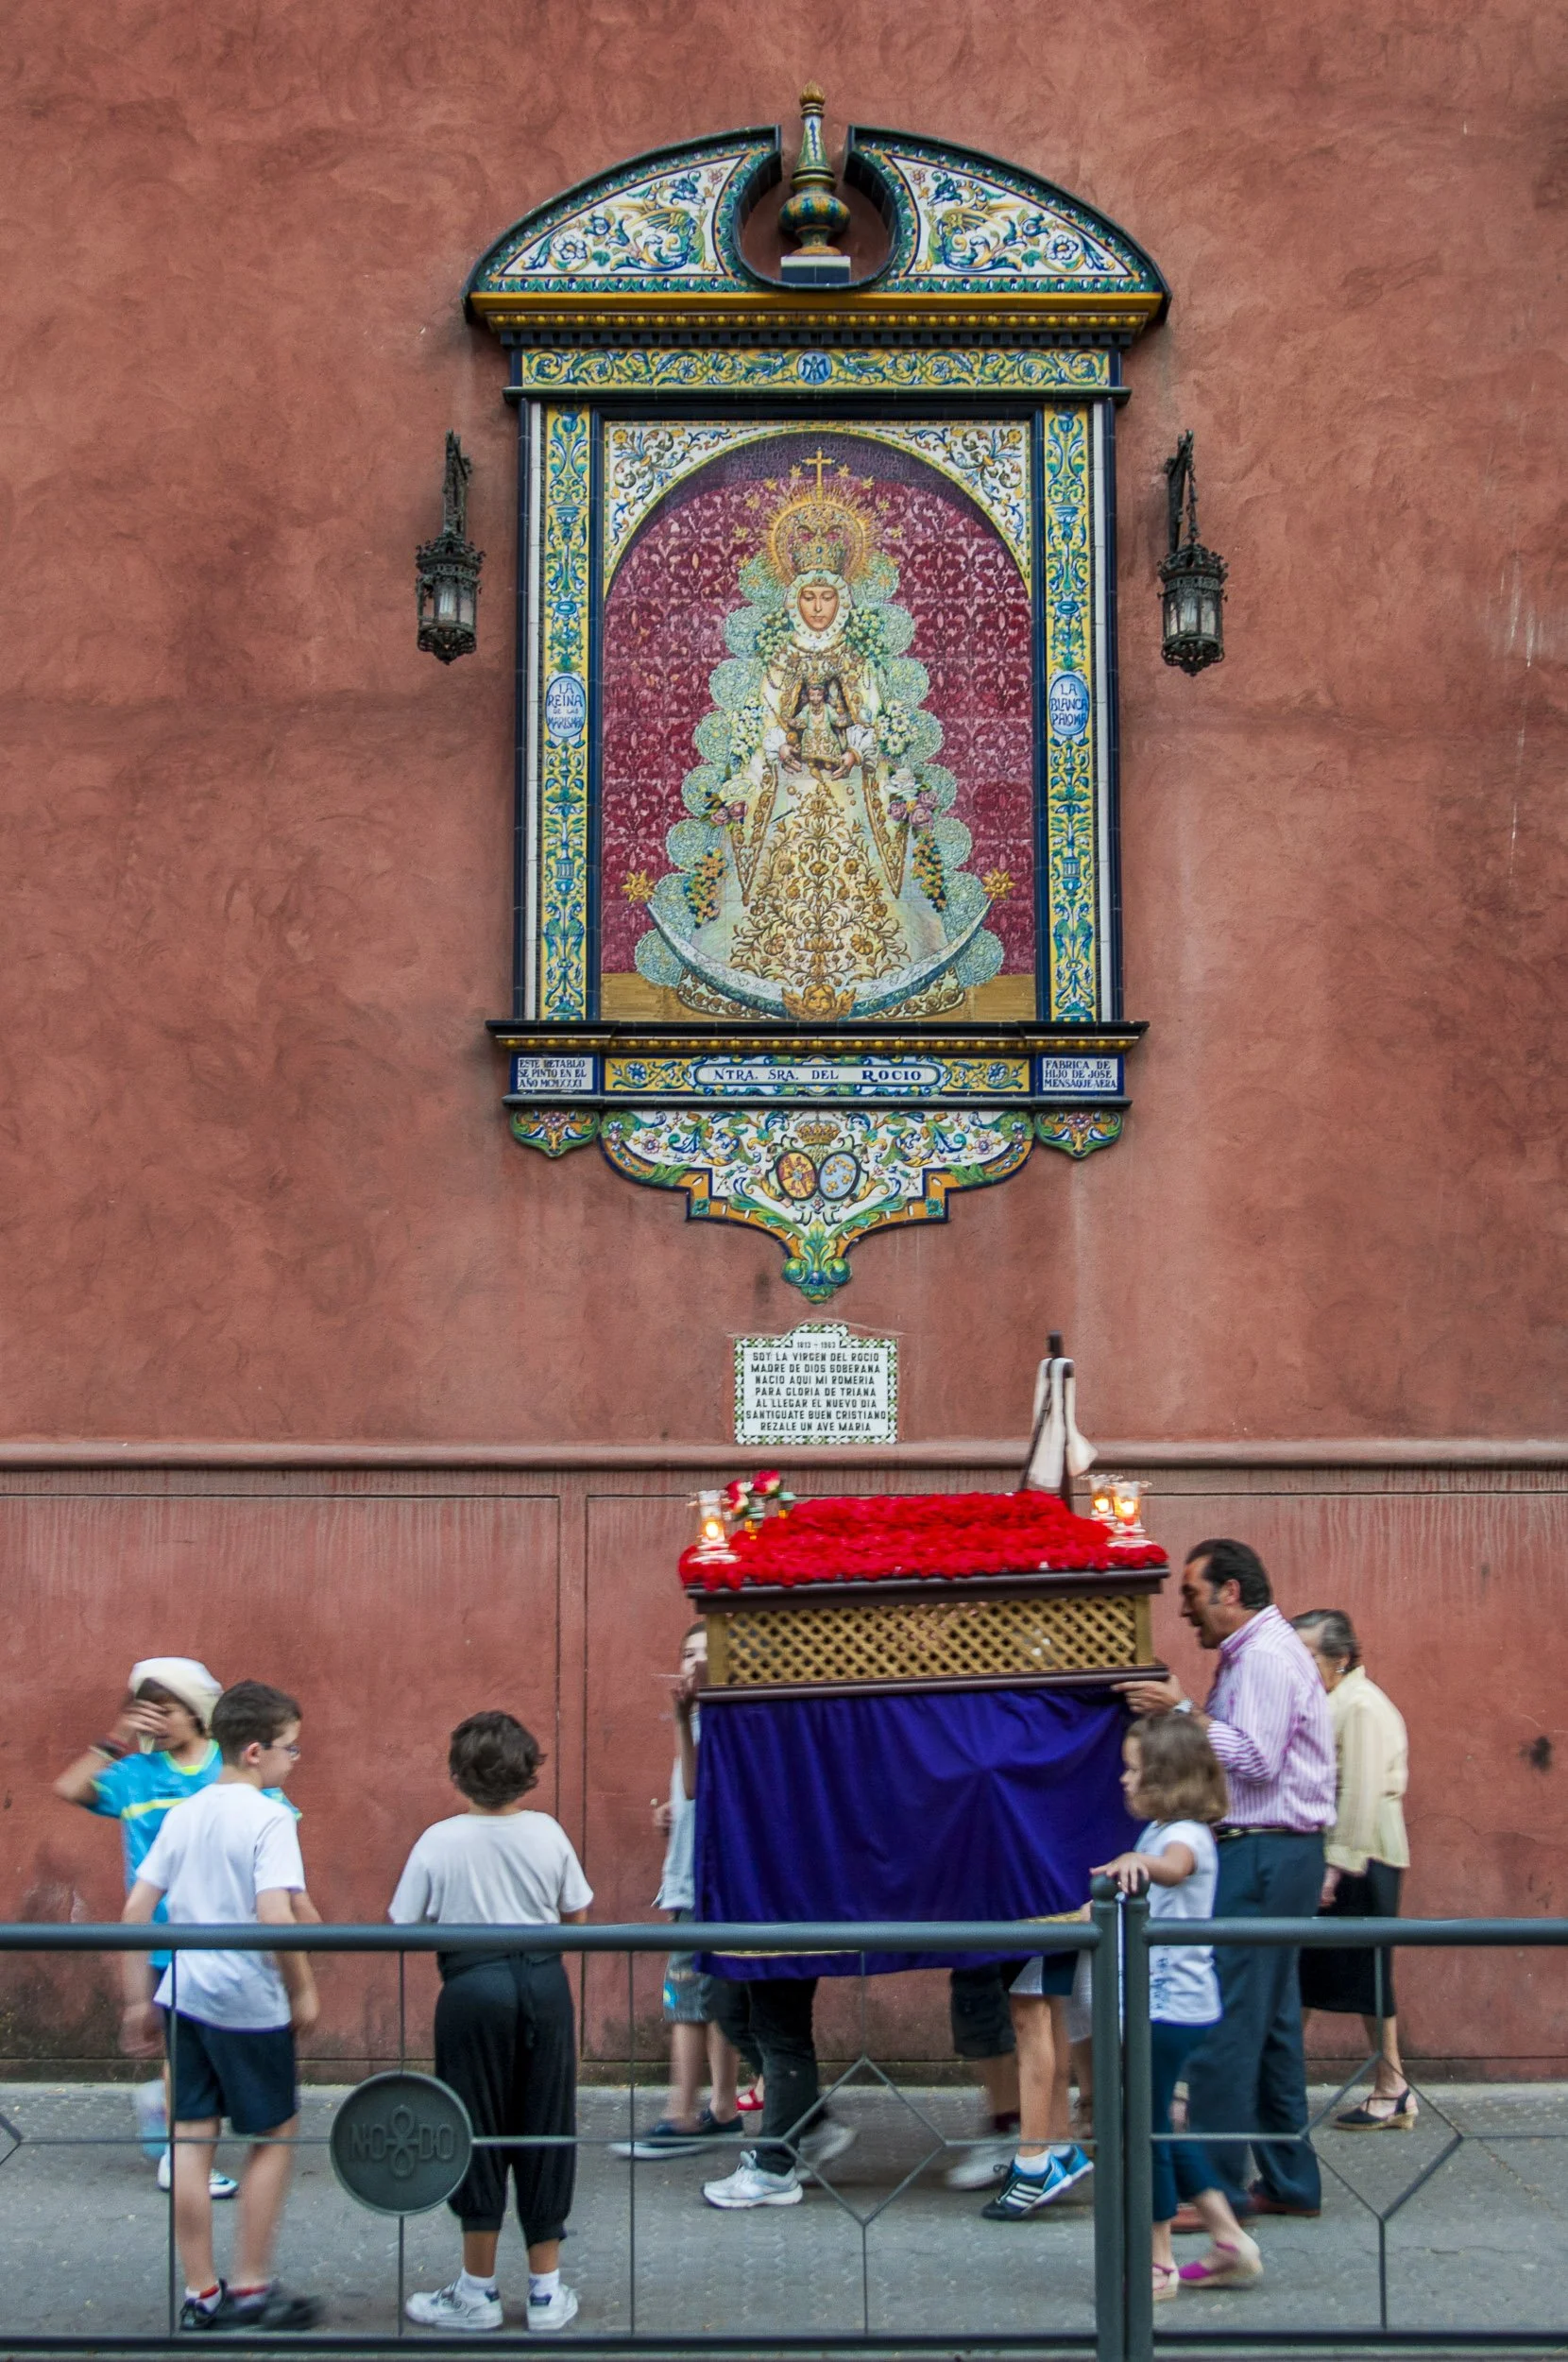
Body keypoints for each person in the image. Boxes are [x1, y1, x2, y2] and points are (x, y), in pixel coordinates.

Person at [1117, 1539, 1336, 2224]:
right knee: (1270, 2029)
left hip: (1265, 1854)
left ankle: (1213, 2191)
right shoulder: (1255, 1655)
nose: (1185, 1612)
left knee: (1229, 2024)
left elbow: (1258, 1760)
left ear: (1231, 1592)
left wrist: (1182, 1713)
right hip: (1275, 1854)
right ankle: (1291, 2182)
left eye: (1192, 1595)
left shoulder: (1267, 1657)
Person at [120, 1680, 320, 2334]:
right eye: (292, 1748)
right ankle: (254, 2288)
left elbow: (136, 1909)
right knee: (275, 2136)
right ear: (258, 1751)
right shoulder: (270, 1816)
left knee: (191, 2141)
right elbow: (275, 1915)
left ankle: (202, 2294)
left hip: (184, 1992)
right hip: (247, 2001)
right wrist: (303, 1989)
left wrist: (137, 2001)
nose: (296, 1760)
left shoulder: (185, 1811)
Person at [390, 1712, 591, 2335]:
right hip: (545, 1983)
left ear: (458, 1775)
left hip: (471, 1989)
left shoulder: (438, 1840)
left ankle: (477, 2291)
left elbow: (403, 1923)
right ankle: (545, 2292)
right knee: (547, 2126)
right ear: (530, 1772)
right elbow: (576, 1917)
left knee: (473, 2129)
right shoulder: (549, 1833)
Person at [56, 1657, 241, 2199]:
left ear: (197, 1712)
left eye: (166, 1710)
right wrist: (115, 1738)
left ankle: (166, 2114)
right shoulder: (134, 1775)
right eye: (146, 1711)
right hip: (161, 1935)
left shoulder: (223, 1769)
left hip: (224, 1930)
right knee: (183, 2048)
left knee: (213, 2047)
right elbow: (69, 1787)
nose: (154, 1722)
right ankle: (183, 2159)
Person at [1095, 1715, 1263, 2300]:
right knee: (1160, 2125)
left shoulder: (1184, 1836)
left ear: (1165, 1778)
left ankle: (1157, 2262)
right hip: (1162, 2006)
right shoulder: (1164, 1830)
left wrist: (1140, 1866)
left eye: (1135, 1769)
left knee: (1143, 2132)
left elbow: (1176, 1867)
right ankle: (1228, 2239)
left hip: (1165, 2011)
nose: (1123, 1779)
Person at [611, 1624, 750, 2160]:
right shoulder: (699, 1719)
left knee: (688, 2000)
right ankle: (720, 2109)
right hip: (693, 1877)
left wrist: (679, 1722)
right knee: (712, 2001)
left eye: (706, 1655)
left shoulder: (716, 1720)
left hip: (704, 1883)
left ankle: (681, 2114)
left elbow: (701, 1784)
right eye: (687, 1654)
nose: (694, 1664)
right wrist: (670, 1812)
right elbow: (692, 1794)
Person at [1291, 1610, 1415, 2129]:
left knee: (1357, 1974)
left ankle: (1391, 2087)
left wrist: (1335, 1868)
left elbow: (1359, 1792)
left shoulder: (1359, 1706)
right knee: (1321, 1973)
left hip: (1361, 1855)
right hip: (1353, 1853)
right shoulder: (1336, 1700)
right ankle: (1390, 2087)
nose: (1299, 1665)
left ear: (1340, 1659)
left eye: (1309, 1655)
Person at [976, 1945, 1092, 2219]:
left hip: (1036, 1908)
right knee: (1046, 1998)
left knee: (1029, 2005)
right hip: (1054, 1907)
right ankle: (1057, 2141)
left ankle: (1034, 2163)